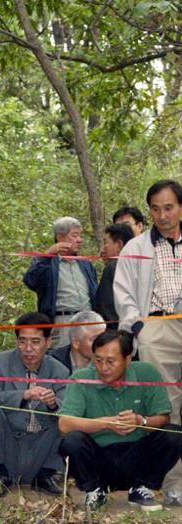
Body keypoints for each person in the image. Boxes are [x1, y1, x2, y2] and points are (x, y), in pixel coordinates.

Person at [59, 329, 181, 511]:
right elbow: (64, 425)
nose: (103, 367)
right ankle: (95, 490)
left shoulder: (146, 373)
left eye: (110, 361)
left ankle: (141, 488)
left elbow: (163, 418)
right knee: (71, 441)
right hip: (99, 458)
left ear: (128, 359)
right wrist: (106, 423)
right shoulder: (81, 379)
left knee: (173, 433)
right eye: (98, 360)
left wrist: (141, 421)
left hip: (137, 456)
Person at [114, 179, 182, 505]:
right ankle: (172, 483)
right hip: (156, 327)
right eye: (155, 209)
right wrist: (138, 326)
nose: (162, 215)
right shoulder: (136, 247)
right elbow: (123, 292)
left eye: (168, 207)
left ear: (180, 207)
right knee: (165, 405)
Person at [0, 313, 68, 494]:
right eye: (22, 341)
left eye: (35, 342)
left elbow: (67, 409)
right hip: (6, 445)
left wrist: (53, 404)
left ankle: (45, 475)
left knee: (67, 420)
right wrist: (23, 395)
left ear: (47, 342)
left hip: (41, 447)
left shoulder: (60, 371)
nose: (27, 349)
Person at [23, 217, 98, 347]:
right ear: (60, 238)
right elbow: (31, 281)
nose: (79, 240)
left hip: (88, 320)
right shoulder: (47, 262)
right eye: (74, 235)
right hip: (62, 322)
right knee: (62, 362)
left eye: (80, 235)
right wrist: (48, 255)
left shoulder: (85, 263)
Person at [95, 223, 133, 328]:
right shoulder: (137, 265)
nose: (102, 249)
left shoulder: (113, 267)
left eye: (106, 243)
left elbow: (106, 306)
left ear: (119, 245)